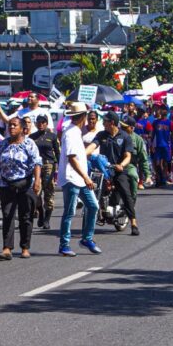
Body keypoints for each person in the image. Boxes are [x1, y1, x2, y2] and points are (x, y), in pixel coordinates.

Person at [0, 117, 41, 260]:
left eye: (14, 125)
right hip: (6, 184)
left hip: (25, 184)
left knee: (25, 216)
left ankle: (25, 247)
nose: (11, 128)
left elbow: (36, 163)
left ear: (22, 128)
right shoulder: (3, 144)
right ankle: (7, 248)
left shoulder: (29, 143)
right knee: (8, 215)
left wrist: (37, 181)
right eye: (10, 125)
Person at [58, 103, 100, 257]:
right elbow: (72, 159)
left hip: (80, 178)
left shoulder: (75, 131)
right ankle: (64, 244)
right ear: (83, 116)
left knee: (93, 206)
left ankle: (87, 238)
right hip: (71, 178)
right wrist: (86, 177)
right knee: (69, 212)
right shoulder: (70, 133)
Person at [93, 112, 140, 235]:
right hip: (104, 170)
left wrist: (121, 165)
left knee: (126, 193)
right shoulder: (101, 135)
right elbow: (93, 146)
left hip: (118, 170)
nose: (103, 123)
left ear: (112, 122)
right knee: (94, 189)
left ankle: (133, 223)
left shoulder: (124, 136)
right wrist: (82, 155)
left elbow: (128, 156)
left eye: (105, 121)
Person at [29, 114, 59, 229]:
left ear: (46, 123)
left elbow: (58, 152)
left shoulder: (52, 136)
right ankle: (40, 211)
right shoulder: (32, 137)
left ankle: (47, 218)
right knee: (36, 191)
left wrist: (58, 169)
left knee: (49, 191)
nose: (41, 124)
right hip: (35, 166)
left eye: (43, 122)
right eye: (39, 122)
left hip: (48, 165)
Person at [150, 107, 173, 187]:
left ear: (167, 112)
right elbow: (153, 134)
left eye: (164, 110)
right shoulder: (155, 122)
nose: (163, 111)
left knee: (165, 163)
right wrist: (151, 145)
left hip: (166, 146)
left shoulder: (169, 123)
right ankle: (159, 178)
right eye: (161, 109)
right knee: (157, 163)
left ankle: (163, 179)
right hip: (158, 146)